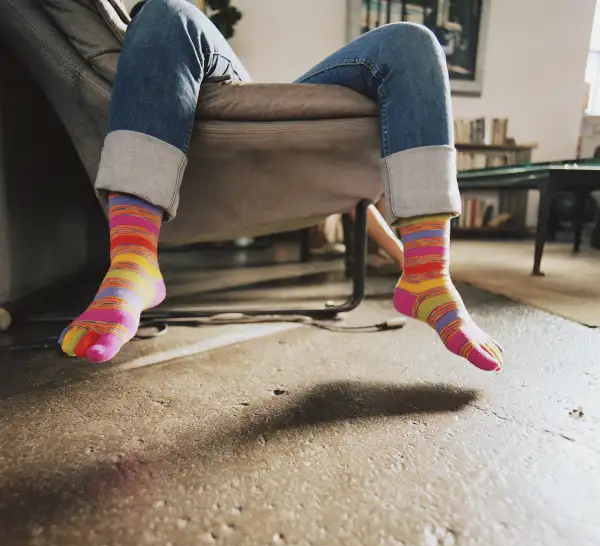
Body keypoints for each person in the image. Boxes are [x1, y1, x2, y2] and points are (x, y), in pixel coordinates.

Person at [59, 0, 503, 372]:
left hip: (219, 71)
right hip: (171, 49)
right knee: (162, 12)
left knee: (414, 42)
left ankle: (428, 277)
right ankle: (133, 262)